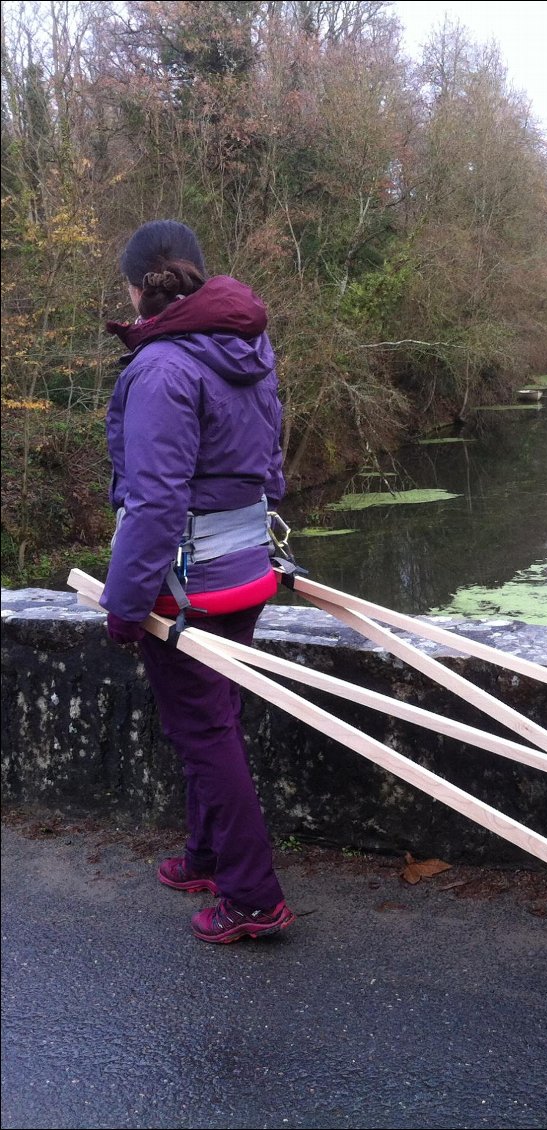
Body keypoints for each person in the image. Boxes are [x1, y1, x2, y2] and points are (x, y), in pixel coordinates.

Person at [100, 219, 294, 944]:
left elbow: (155, 502)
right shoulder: (246, 347)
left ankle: (252, 897)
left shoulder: (160, 368)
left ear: (138, 285)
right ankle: (208, 855)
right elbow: (265, 461)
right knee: (211, 721)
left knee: (203, 730)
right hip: (245, 568)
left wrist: (124, 606)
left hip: (185, 584)